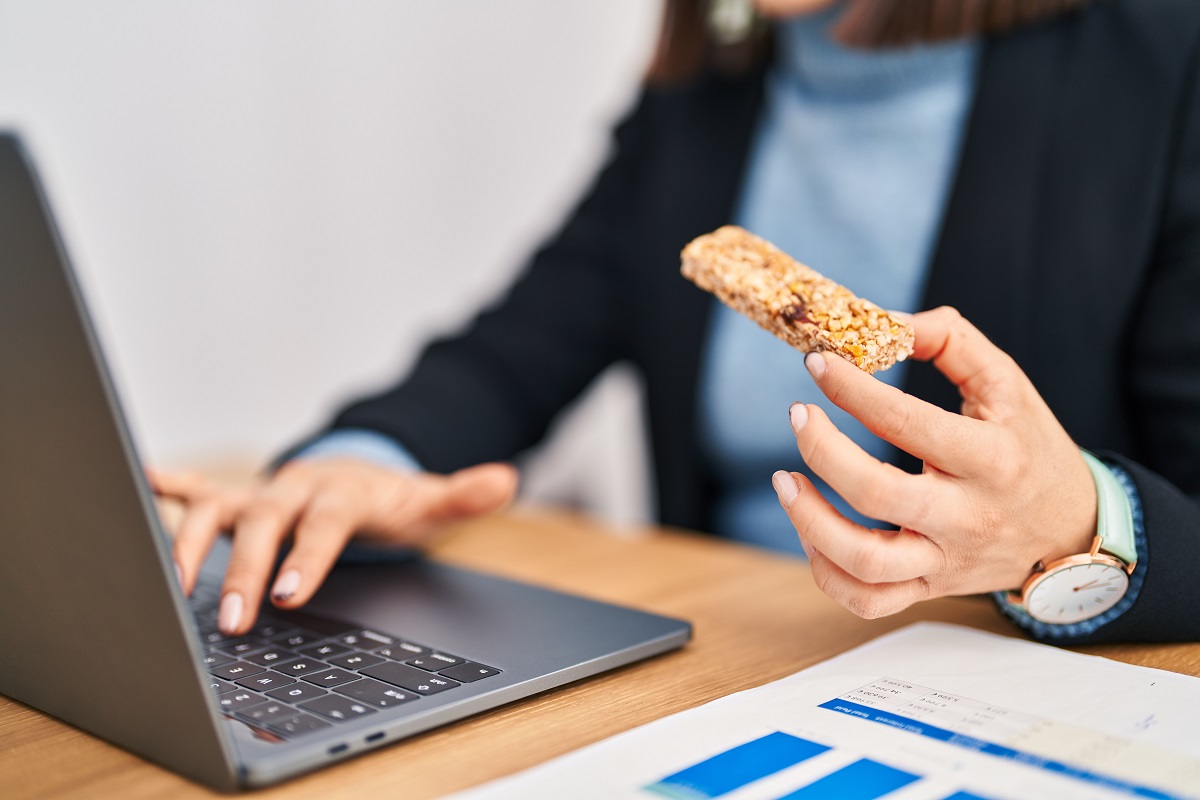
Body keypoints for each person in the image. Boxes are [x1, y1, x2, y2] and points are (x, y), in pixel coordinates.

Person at [155, 0, 1200, 644]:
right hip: (741, 657)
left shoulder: (1162, 64)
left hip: (1020, 683)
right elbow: (516, 350)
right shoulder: (704, 95)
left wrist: (1083, 525)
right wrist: (358, 459)